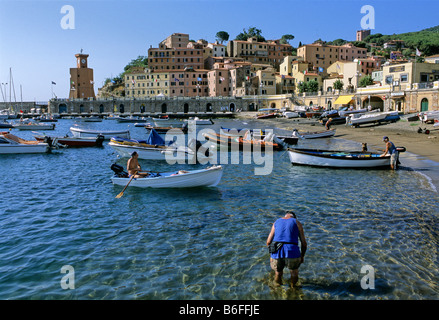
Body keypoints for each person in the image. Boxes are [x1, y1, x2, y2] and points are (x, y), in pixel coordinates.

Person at [266, 210, 307, 287]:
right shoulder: (297, 223)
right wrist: (302, 256)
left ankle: (278, 287)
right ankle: (293, 288)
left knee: (278, 273)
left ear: (285, 215)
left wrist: (272, 255)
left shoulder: (276, 222)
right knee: (294, 273)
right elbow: (304, 244)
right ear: (294, 217)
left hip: (277, 251)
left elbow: (268, 242)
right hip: (292, 251)